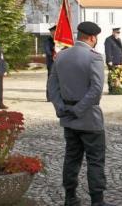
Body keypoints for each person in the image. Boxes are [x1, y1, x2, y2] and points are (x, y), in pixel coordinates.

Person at [47, 22, 114, 206]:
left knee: (71, 158)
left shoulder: (61, 56)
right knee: (95, 160)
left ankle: (70, 197)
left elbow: (52, 87)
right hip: (88, 119)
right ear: (92, 38)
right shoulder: (94, 57)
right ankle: (97, 201)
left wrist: (61, 108)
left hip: (68, 118)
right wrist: (78, 110)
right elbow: (96, 90)